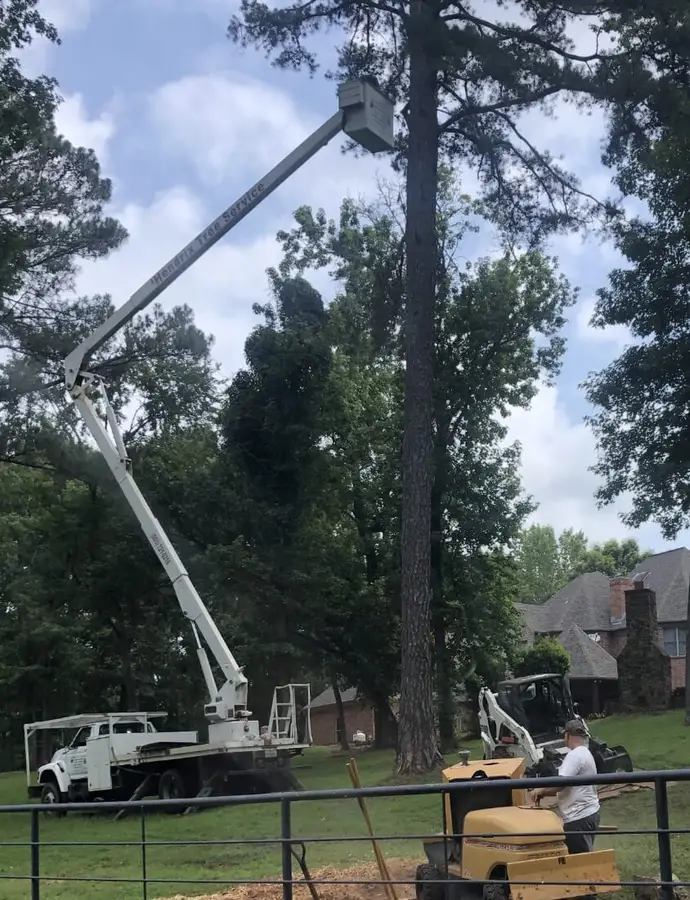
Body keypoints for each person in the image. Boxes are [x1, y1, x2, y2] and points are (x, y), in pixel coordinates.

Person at [529, 719, 600, 854]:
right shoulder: (585, 753)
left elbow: (561, 784)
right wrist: (544, 793)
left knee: (580, 861)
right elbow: (567, 786)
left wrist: (540, 790)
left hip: (578, 818)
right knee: (585, 857)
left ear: (567, 735)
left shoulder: (575, 755)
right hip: (588, 813)